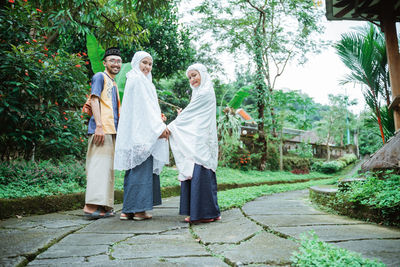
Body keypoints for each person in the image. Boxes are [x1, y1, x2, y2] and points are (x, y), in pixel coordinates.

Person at [114, 51, 169, 221]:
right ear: (136, 62)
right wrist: (159, 128)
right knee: (142, 171)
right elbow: (144, 109)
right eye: (144, 62)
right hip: (142, 133)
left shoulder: (136, 79)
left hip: (136, 133)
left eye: (150, 64)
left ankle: (127, 210)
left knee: (133, 170)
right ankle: (138, 211)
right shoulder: (138, 80)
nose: (147, 67)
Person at [168, 63, 221, 223]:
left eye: (194, 75)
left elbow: (192, 113)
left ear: (203, 74)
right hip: (198, 136)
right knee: (197, 167)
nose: (192, 79)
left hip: (200, 138)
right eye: (190, 77)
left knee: (200, 167)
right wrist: (183, 115)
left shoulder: (205, 92)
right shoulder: (199, 93)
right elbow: (193, 113)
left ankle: (203, 214)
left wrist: (171, 126)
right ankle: (209, 212)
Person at [83, 47, 122, 219]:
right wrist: (99, 125)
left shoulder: (113, 82)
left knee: (106, 169)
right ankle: (91, 207)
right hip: (102, 129)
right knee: (98, 168)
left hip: (110, 130)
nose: (116, 63)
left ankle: (103, 206)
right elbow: (94, 99)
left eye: (119, 61)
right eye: (112, 60)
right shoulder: (100, 76)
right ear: (105, 63)